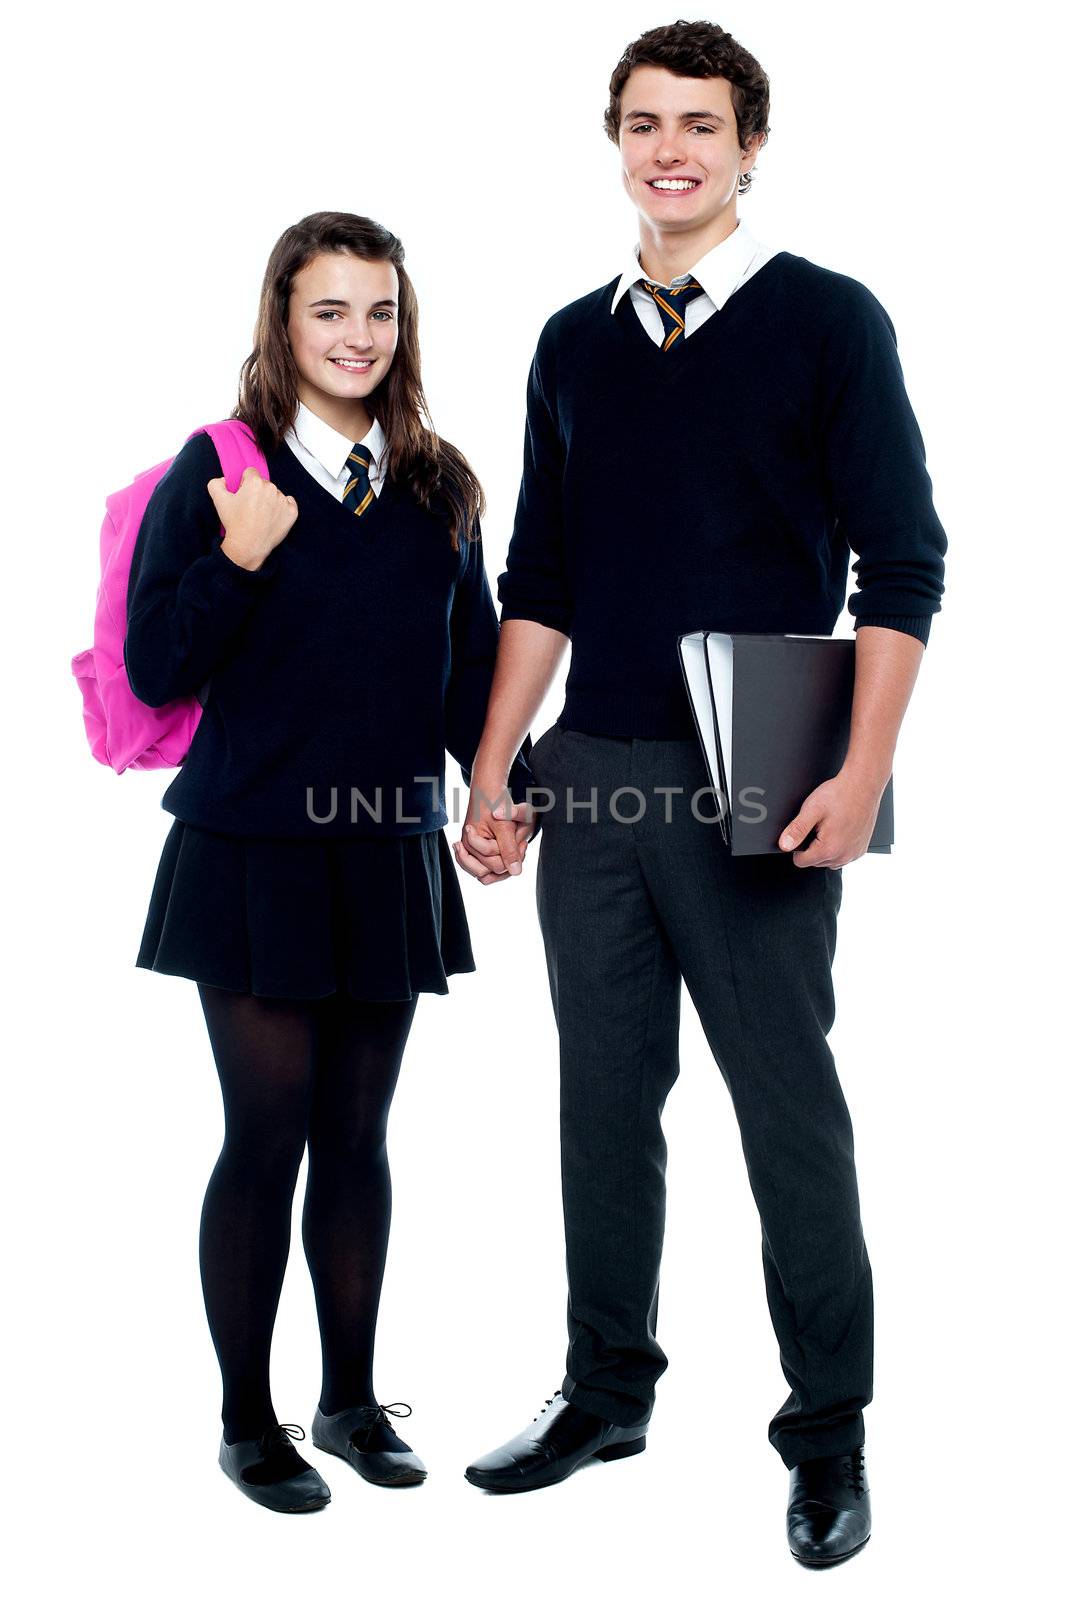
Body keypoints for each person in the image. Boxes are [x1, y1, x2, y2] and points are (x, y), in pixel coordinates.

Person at [455, 19, 947, 1568]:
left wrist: (862, 771)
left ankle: (827, 1436)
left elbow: (904, 563)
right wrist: (490, 770)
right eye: (644, 122)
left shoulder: (825, 322)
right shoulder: (568, 341)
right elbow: (539, 574)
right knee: (603, 1106)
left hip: (761, 777)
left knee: (784, 1114)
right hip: (589, 776)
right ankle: (605, 1389)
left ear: (749, 148)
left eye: (702, 125)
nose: (669, 148)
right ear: (615, 140)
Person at [124, 210, 533, 1513]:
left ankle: (349, 1403)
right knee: (269, 1133)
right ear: (281, 323)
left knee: (357, 1137)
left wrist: (493, 788)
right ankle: (249, 1423)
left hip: (386, 845)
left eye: (380, 312)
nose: (358, 337)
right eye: (329, 311)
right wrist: (238, 564)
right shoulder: (222, 472)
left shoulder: (436, 485)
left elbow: (468, 668)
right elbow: (156, 667)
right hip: (250, 851)